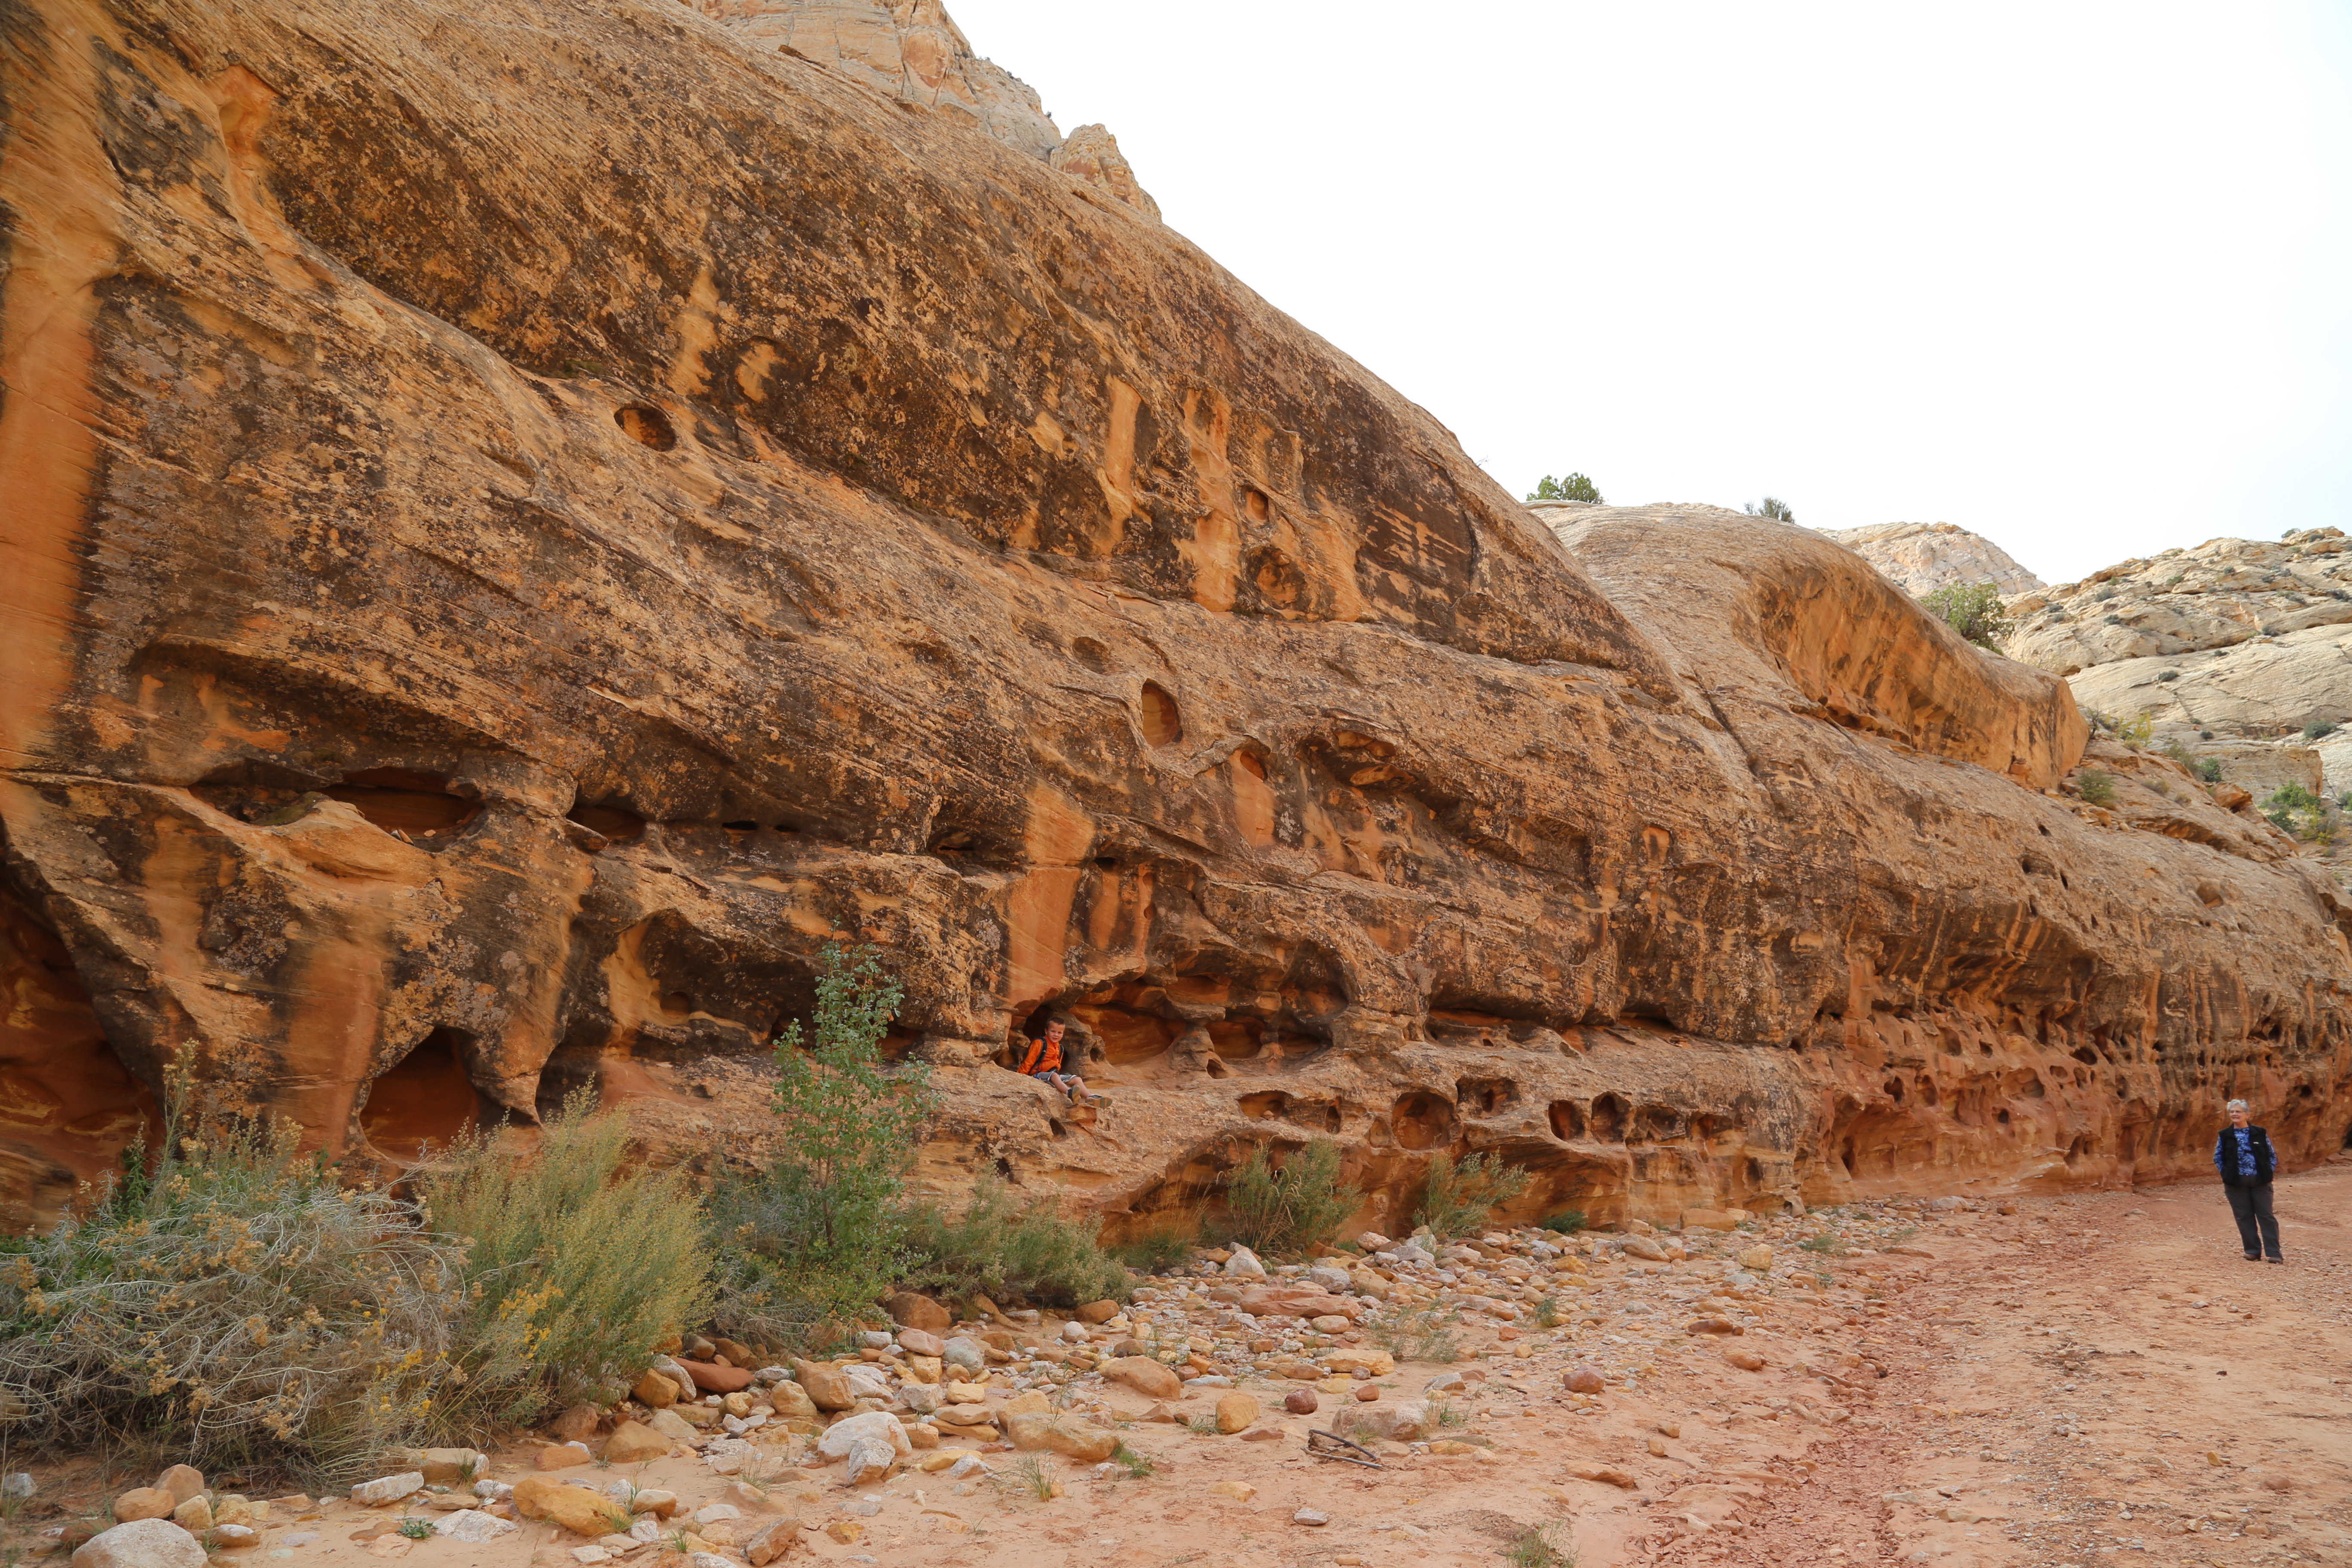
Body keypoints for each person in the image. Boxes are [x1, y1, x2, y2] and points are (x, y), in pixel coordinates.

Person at [2213, 1098, 2284, 1264]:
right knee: (2244, 1217)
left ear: (2247, 1114)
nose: (2235, 1114)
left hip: (2260, 1182)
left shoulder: (2259, 1133)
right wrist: (2227, 1175)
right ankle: (2252, 1251)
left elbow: (2272, 1155)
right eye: (2232, 1112)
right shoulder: (2225, 1135)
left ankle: (2274, 1254)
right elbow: (2218, 1157)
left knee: (2266, 1217)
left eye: (2238, 1112)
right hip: (2236, 1183)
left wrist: (2267, 1172)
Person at [1016, 1019, 1101, 1106]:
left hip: (1052, 1076)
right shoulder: (1040, 1043)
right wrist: (1021, 1077)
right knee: (1054, 1076)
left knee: (1077, 1079)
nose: (1056, 1035)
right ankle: (1070, 1093)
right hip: (1038, 1075)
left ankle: (1090, 1097)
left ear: (1063, 1034)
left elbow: (1057, 1066)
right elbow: (1029, 1061)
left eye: (1059, 1033)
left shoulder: (1060, 1048)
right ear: (1046, 1031)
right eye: (1053, 1031)